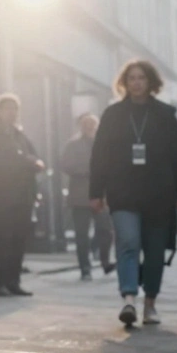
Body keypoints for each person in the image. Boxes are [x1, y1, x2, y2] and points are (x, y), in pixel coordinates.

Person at [90, 60, 177, 326]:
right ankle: (129, 299)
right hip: (123, 191)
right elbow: (99, 154)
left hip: (158, 193)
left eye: (142, 78)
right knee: (128, 242)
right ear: (124, 83)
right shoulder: (112, 115)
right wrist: (96, 191)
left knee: (155, 251)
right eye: (132, 78)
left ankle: (150, 304)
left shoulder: (165, 115)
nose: (136, 82)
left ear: (151, 83)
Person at [0, 94, 44, 297]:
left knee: (18, 239)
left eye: (15, 109)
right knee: (2, 239)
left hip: (23, 195)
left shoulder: (19, 135)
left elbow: (34, 158)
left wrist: (32, 162)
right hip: (1, 194)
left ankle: (14, 281)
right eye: (8, 108)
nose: (12, 113)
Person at [61, 113, 115, 280]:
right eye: (86, 125)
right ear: (81, 127)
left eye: (93, 125)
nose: (90, 128)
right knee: (81, 234)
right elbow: (65, 165)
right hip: (80, 196)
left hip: (101, 196)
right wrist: (85, 170)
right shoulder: (72, 145)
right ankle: (85, 268)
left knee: (106, 230)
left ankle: (105, 262)